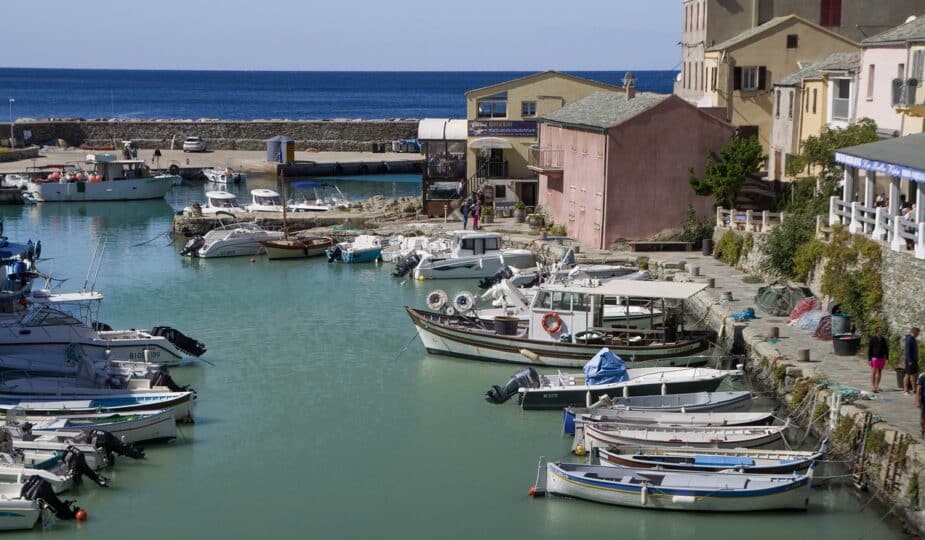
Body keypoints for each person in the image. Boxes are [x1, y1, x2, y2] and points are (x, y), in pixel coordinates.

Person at [867, 327, 888, 393]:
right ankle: (873, 386)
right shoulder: (872, 339)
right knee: (873, 372)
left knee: (879, 372)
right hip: (874, 357)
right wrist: (869, 359)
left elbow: (886, 349)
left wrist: (887, 358)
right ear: (877, 332)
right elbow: (869, 350)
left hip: (881, 357)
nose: (881, 332)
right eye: (880, 331)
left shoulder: (883, 339)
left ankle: (877, 386)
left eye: (881, 331)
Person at [904, 327, 920, 394]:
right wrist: (910, 360)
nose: (918, 335)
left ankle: (914, 390)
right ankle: (906, 390)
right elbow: (907, 351)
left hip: (914, 360)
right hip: (909, 361)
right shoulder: (909, 339)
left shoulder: (913, 339)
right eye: (917, 333)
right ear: (914, 332)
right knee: (908, 375)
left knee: (914, 375)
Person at [916, 370, 925, 438]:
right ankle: (922, 430)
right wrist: (918, 400)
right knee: (923, 418)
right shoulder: (922, 377)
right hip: (924, 401)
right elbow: (918, 390)